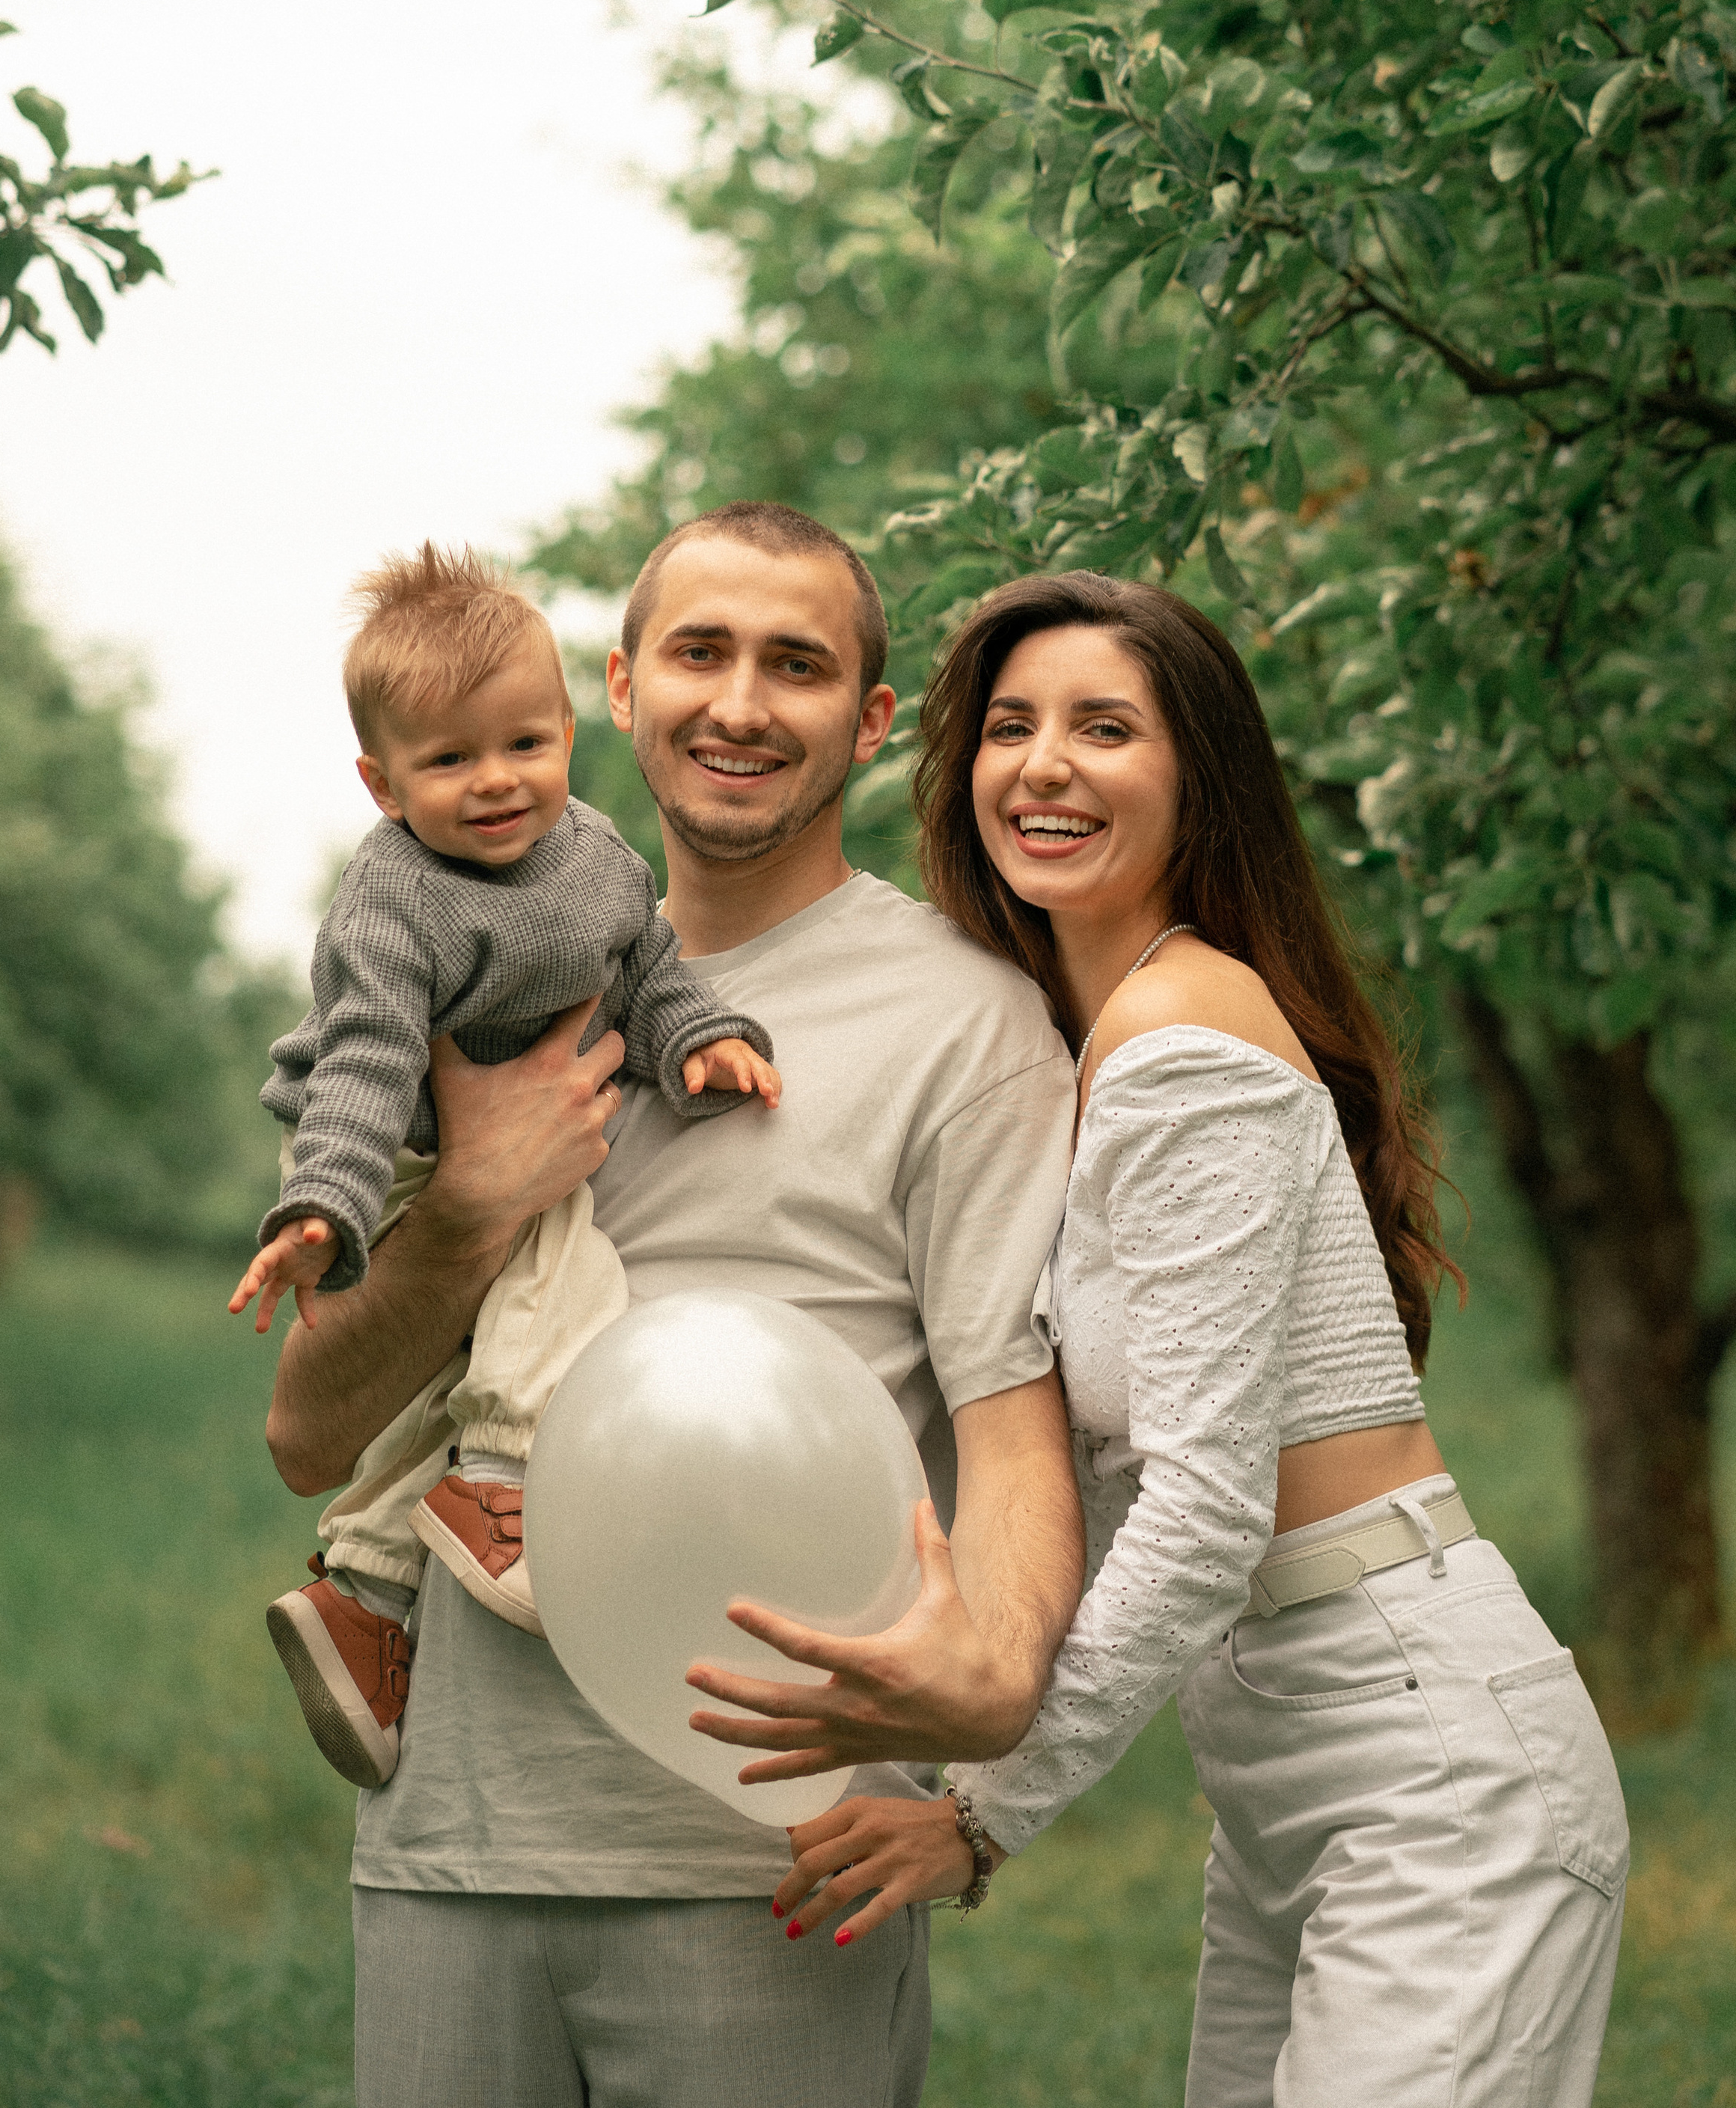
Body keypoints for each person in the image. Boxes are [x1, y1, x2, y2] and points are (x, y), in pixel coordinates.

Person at [687, 570, 1631, 2108]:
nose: (1042, 765)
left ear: (1197, 777)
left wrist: (981, 1813)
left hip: (1427, 1764)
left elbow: (1200, 1510)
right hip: (1279, 1764)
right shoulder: (1069, 1041)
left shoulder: (1181, 1040)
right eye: (1007, 727)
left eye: (1103, 727)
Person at [263, 502, 1084, 2108]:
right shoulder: (453, 994)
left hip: (774, 1860)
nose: (738, 702)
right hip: (454, 1844)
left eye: (796, 665)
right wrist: (478, 1203)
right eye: (699, 652)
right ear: (621, 690)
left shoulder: (969, 1028)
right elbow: (306, 1438)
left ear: (866, 721)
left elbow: (1012, 1441)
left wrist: (990, 1746)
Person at [233, 544, 777, 1786]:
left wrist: (704, 1042)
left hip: (501, 1132)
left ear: (571, 730)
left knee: (475, 1349)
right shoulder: (391, 904)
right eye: (448, 761)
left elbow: (645, 969)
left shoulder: (598, 858)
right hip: (391, 1150)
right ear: (380, 783)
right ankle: (497, 1487)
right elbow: (367, 1058)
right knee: (569, 1279)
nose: (496, 783)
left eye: (524, 746)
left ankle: (365, 1590)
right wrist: (324, 1204)